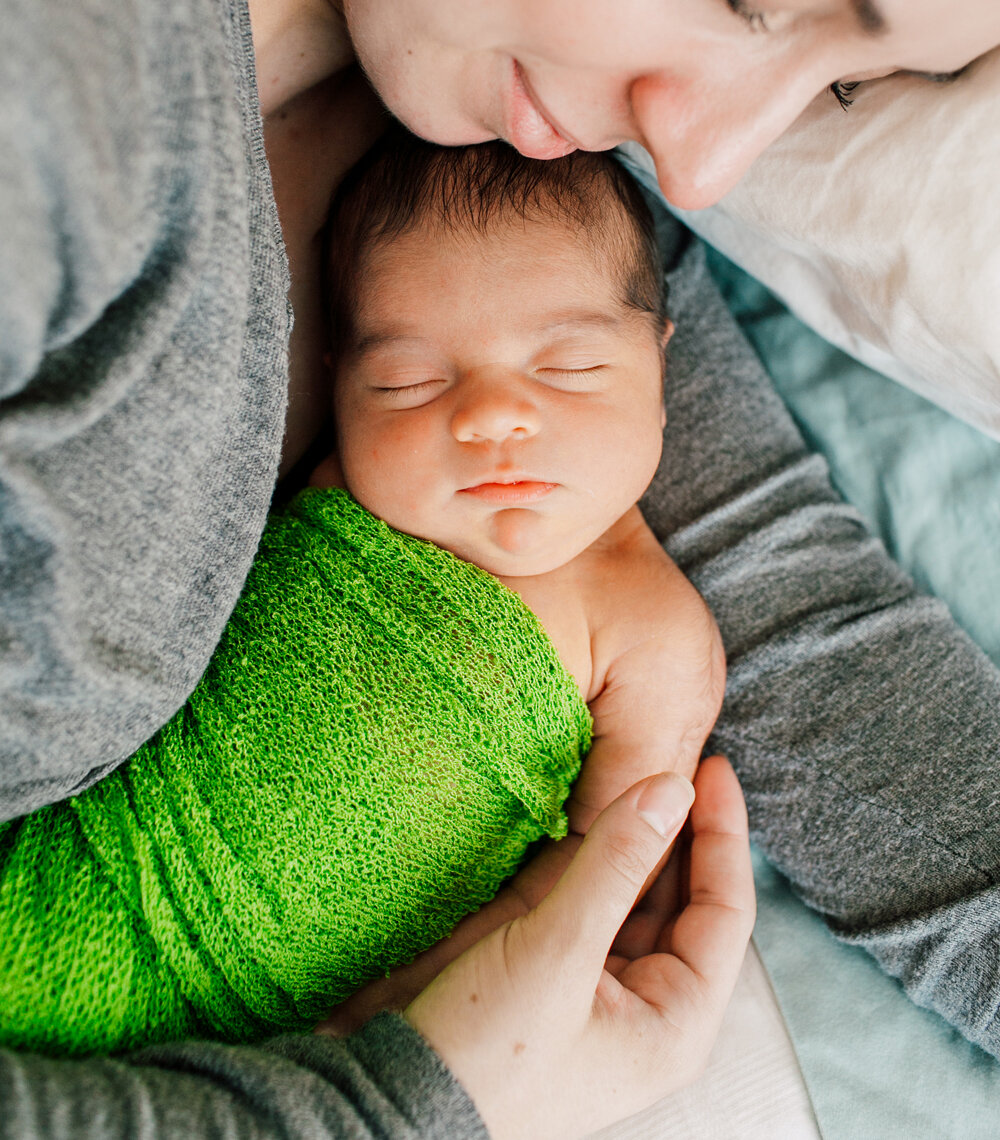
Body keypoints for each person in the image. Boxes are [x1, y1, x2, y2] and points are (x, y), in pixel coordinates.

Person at [4, 0, 1000, 1135]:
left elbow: (794, 624)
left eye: (838, 90)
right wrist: (412, 1101)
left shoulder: (496, 159)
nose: (711, 157)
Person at [0, 137, 728, 1062]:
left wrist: (388, 1019)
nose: (489, 417)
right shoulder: (335, 488)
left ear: (661, 365)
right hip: (79, 826)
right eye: (407, 383)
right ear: (337, 384)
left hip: (253, 1020)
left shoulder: (657, 635)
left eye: (569, 367)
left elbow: (580, 890)